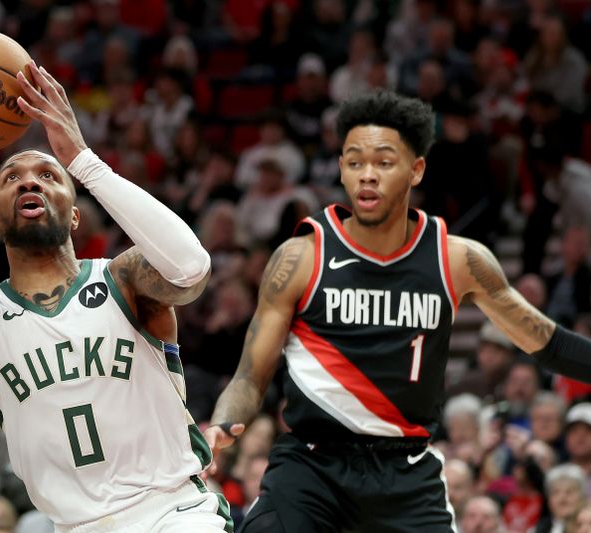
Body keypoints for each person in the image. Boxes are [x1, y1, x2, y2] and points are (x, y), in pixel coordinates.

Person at [203, 90, 591, 531]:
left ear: (416, 170)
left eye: (384, 163)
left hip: (405, 473)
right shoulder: (301, 257)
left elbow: (546, 342)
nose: (367, 176)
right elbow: (250, 377)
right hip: (312, 468)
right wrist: (222, 425)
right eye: (354, 162)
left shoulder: (458, 259)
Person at [0, 57, 232, 533]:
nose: (29, 180)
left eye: (48, 175)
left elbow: (191, 268)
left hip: (172, 515)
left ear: (74, 216)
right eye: (11, 178)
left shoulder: (124, 280)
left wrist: (83, 161)